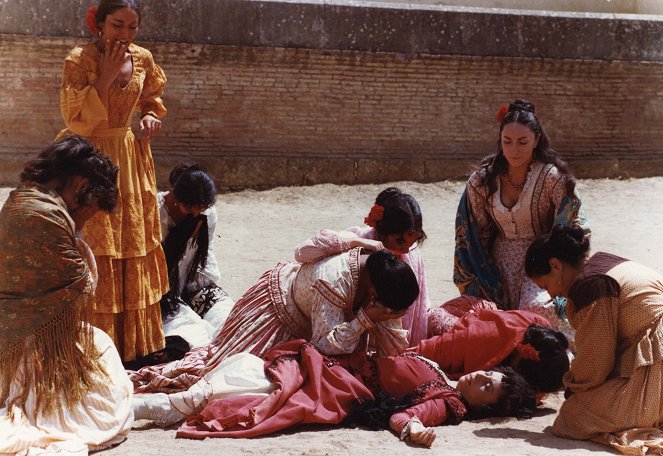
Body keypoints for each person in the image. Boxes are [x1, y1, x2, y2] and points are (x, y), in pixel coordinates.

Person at [0, 136, 133, 454]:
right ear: (81, 187)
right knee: (103, 397)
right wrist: (83, 253)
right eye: (91, 210)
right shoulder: (45, 216)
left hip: (10, 334)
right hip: (27, 346)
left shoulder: (22, 198)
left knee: (98, 345)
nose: (86, 220)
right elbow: (80, 286)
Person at [129, 249, 419, 394]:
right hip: (274, 314)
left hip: (309, 316)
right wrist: (366, 318)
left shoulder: (380, 269)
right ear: (374, 292)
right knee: (215, 373)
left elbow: (391, 344)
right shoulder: (334, 281)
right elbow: (324, 347)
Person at [163, 340, 536, 448]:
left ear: (484, 407)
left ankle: (164, 406)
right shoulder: (448, 377)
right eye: (489, 374)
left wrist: (414, 430)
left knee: (264, 393)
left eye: (487, 387)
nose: (481, 378)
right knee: (250, 368)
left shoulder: (450, 403)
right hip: (334, 368)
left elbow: (404, 416)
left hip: (338, 389)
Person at [58, 0, 168, 362]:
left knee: (129, 239)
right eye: (118, 25)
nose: (126, 34)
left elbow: (152, 97)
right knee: (95, 242)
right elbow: (78, 121)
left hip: (130, 157)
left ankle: (129, 348)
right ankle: (89, 348)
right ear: (99, 24)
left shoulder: (144, 59)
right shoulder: (79, 60)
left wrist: (151, 116)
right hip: (88, 157)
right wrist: (104, 75)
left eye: (132, 27)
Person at [453, 98, 590, 344]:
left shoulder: (552, 177)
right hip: (496, 264)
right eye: (507, 142)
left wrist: (558, 267)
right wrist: (481, 278)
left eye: (522, 142)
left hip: (541, 262)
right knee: (482, 314)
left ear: (536, 140)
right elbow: (476, 233)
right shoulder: (483, 180)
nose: (514, 150)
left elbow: (572, 223)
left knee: (538, 308)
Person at [525, 224, 663, 454]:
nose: (550, 295)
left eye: (545, 285)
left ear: (556, 266)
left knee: (570, 417)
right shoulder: (605, 261)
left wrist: (572, 388)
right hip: (652, 352)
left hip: (657, 365)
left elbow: (596, 362)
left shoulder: (589, 286)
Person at [294, 187, 430, 345]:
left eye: (413, 241)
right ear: (383, 231)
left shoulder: (412, 254)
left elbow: (416, 308)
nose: (406, 249)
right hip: (332, 326)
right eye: (400, 241)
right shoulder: (356, 244)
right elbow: (301, 253)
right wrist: (356, 242)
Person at [158, 163, 235, 348]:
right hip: (162, 292)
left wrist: (198, 290)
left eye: (200, 209)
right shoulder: (154, 211)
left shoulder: (207, 212)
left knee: (229, 323)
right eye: (189, 208)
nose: (195, 214)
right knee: (190, 337)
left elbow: (204, 256)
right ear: (176, 196)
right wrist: (180, 238)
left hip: (195, 283)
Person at [416, 302, 569, 393]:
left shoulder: (547, 347)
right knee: (435, 319)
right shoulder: (476, 338)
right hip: (462, 315)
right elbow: (421, 354)